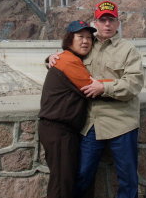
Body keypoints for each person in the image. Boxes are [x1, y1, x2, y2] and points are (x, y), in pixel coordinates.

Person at [49, 1, 144, 198]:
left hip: (122, 123)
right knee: (82, 175)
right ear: (96, 22)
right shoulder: (86, 44)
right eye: (103, 20)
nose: (107, 24)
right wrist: (50, 58)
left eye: (111, 20)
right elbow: (66, 61)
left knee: (128, 180)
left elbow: (134, 84)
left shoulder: (128, 50)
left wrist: (104, 87)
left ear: (118, 23)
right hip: (91, 124)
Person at [38, 20, 101, 198]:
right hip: (59, 131)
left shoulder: (67, 58)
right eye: (80, 36)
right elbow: (91, 86)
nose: (85, 41)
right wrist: (119, 84)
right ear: (69, 39)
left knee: (64, 180)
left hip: (60, 130)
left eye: (89, 37)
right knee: (61, 184)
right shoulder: (68, 61)